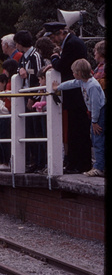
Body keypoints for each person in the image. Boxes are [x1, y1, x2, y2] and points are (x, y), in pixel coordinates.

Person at [45, 21, 91, 173]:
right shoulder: (72, 42)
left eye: (53, 37)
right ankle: (76, 162)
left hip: (75, 94)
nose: (53, 41)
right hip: (74, 94)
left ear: (60, 33)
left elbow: (62, 65)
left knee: (77, 129)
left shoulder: (71, 44)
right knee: (75, 128)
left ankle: (79, 163)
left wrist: (54, 58)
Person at [53, 59, 105, 177]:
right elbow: (71, 84)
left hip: (99, 114)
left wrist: (95, 121)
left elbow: (96, 105)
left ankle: (99, 167)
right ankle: (100, 165)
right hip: (94, 114)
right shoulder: (83, 82)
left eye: (74, 72)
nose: (73, 74)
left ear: (80, 73)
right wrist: (58, 87)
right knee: (97, 139)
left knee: (98, 139)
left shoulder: (92, 86)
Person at [14, 30, 45, 173]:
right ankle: (34, 161)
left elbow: (38, 76)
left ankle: (41, 161)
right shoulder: (23, 58)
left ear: (20, 44)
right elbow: (18, 67)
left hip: (34, 98)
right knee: (30, 131)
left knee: (38, 130)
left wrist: (33, 98)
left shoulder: (35, 56)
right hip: (26, 96)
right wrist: (20, 69)